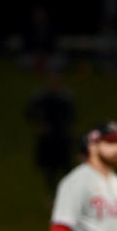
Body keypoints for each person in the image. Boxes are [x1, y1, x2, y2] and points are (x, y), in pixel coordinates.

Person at [25, 71, 76, 202]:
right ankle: (51, 195)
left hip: (62, 138)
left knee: (66, 167)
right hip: (47, 140)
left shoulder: (65, 97)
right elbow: (29, 112)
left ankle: (71, 196)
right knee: (50, 169)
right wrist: (39, 124)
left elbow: (71, 116)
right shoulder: (41, 97)